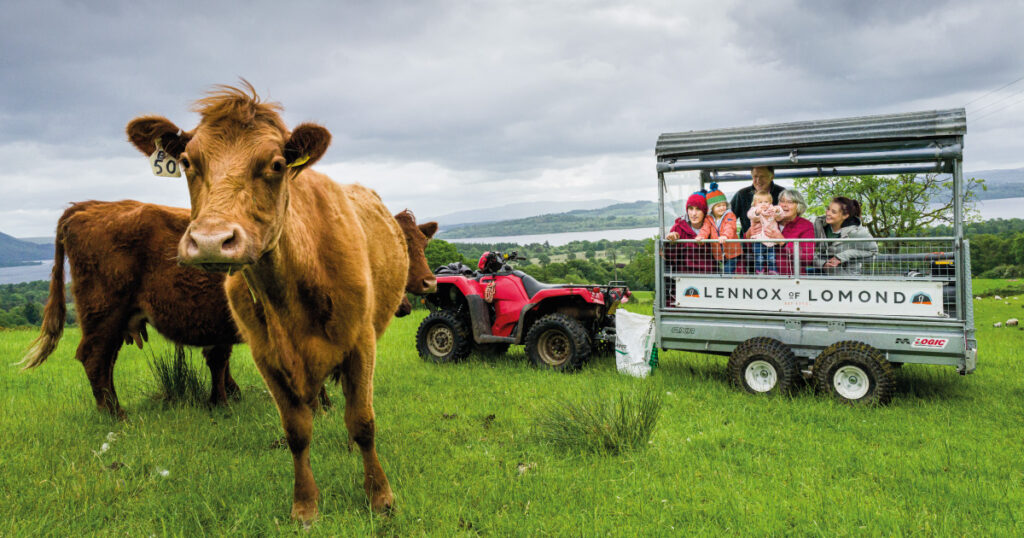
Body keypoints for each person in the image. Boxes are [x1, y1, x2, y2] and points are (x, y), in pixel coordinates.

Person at [813, 196, 878, 275]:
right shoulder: (818, 225)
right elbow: (807, 250)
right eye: (828, 209)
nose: (828, 213)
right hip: (820, 273)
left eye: (833, 212)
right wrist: (822, 264)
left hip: (846, 277)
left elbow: (873, 252)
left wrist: (842, 256)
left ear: (845, 215)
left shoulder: (857, 232)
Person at [762, 189, 815, 275]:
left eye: (790, 202)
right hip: (766, 278)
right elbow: (748, 248)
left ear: (798, 206)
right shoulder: (769, 220)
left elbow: (807, 259)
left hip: (793, 280)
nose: (784, 205)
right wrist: (749, 234)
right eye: (782, 201)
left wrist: (783, 242)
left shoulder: (806, 225)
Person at [665, 191, 714, 274]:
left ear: (705, 211)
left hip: (709, 278)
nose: (694, 214)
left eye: (698, 209)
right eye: (691, 209)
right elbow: (669, 258)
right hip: (685, 279)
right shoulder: (678, 227)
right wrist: (671, 243)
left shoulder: (712, 226)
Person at [730, 166, 786, 239]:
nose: (758, 180)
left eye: (762, 176)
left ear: (772, 176)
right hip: (749, 244)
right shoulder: (742, 194)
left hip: (776, 246)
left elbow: (789, 218)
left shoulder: (782, 193)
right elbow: (729, 218)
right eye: (755, 176)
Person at [704, 183, 741, 273]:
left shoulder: (730, 215)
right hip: (718, 253)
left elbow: (730, 227)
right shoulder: (709, 218)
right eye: (718, 206)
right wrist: (702, 236)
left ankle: (727, 284)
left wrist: (725, 236)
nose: (722, 208)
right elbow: (705, 228)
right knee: (722, 271)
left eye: (724, 205)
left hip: (732, 252)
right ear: (712, 208)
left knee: (727, 272)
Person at [745, 191, 783, 274]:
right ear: (755, 203)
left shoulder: (772, 210)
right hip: (758, 239)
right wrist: (757, 212)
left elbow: (780, 216)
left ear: (770, 202)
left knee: (771, 257)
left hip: (770, 240)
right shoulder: (754, 210)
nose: (763, 204)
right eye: (760, 202)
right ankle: (759, 271)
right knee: (759, 258)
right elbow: (750, 215)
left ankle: (772, 271)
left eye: (766, 202)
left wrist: (777, 210)